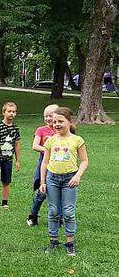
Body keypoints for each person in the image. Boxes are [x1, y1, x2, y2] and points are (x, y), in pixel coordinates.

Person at [39, 107, 89, 256]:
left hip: (70, 180)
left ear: (70, 121)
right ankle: (53, 241)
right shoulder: (50, 140)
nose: (57, 124)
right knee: (53, 211)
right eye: (54, 122)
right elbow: (44, 163)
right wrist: (43, 182)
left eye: (60, 121)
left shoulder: (77, 140)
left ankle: (70, 243)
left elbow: (85, 161)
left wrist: (77, 176)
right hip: (52, 179)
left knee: (68, 212)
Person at [26, 105, 58, 226]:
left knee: (58, 190)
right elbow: (35, 146)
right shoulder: (41, 130)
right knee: (42, 190)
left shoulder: (61, 129)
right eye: (46, 116)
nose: (48, 118)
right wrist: (49, 150)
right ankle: (32, 215)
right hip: (44, 161)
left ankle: (58, 218)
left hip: (58, 163)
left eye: (51, 115)